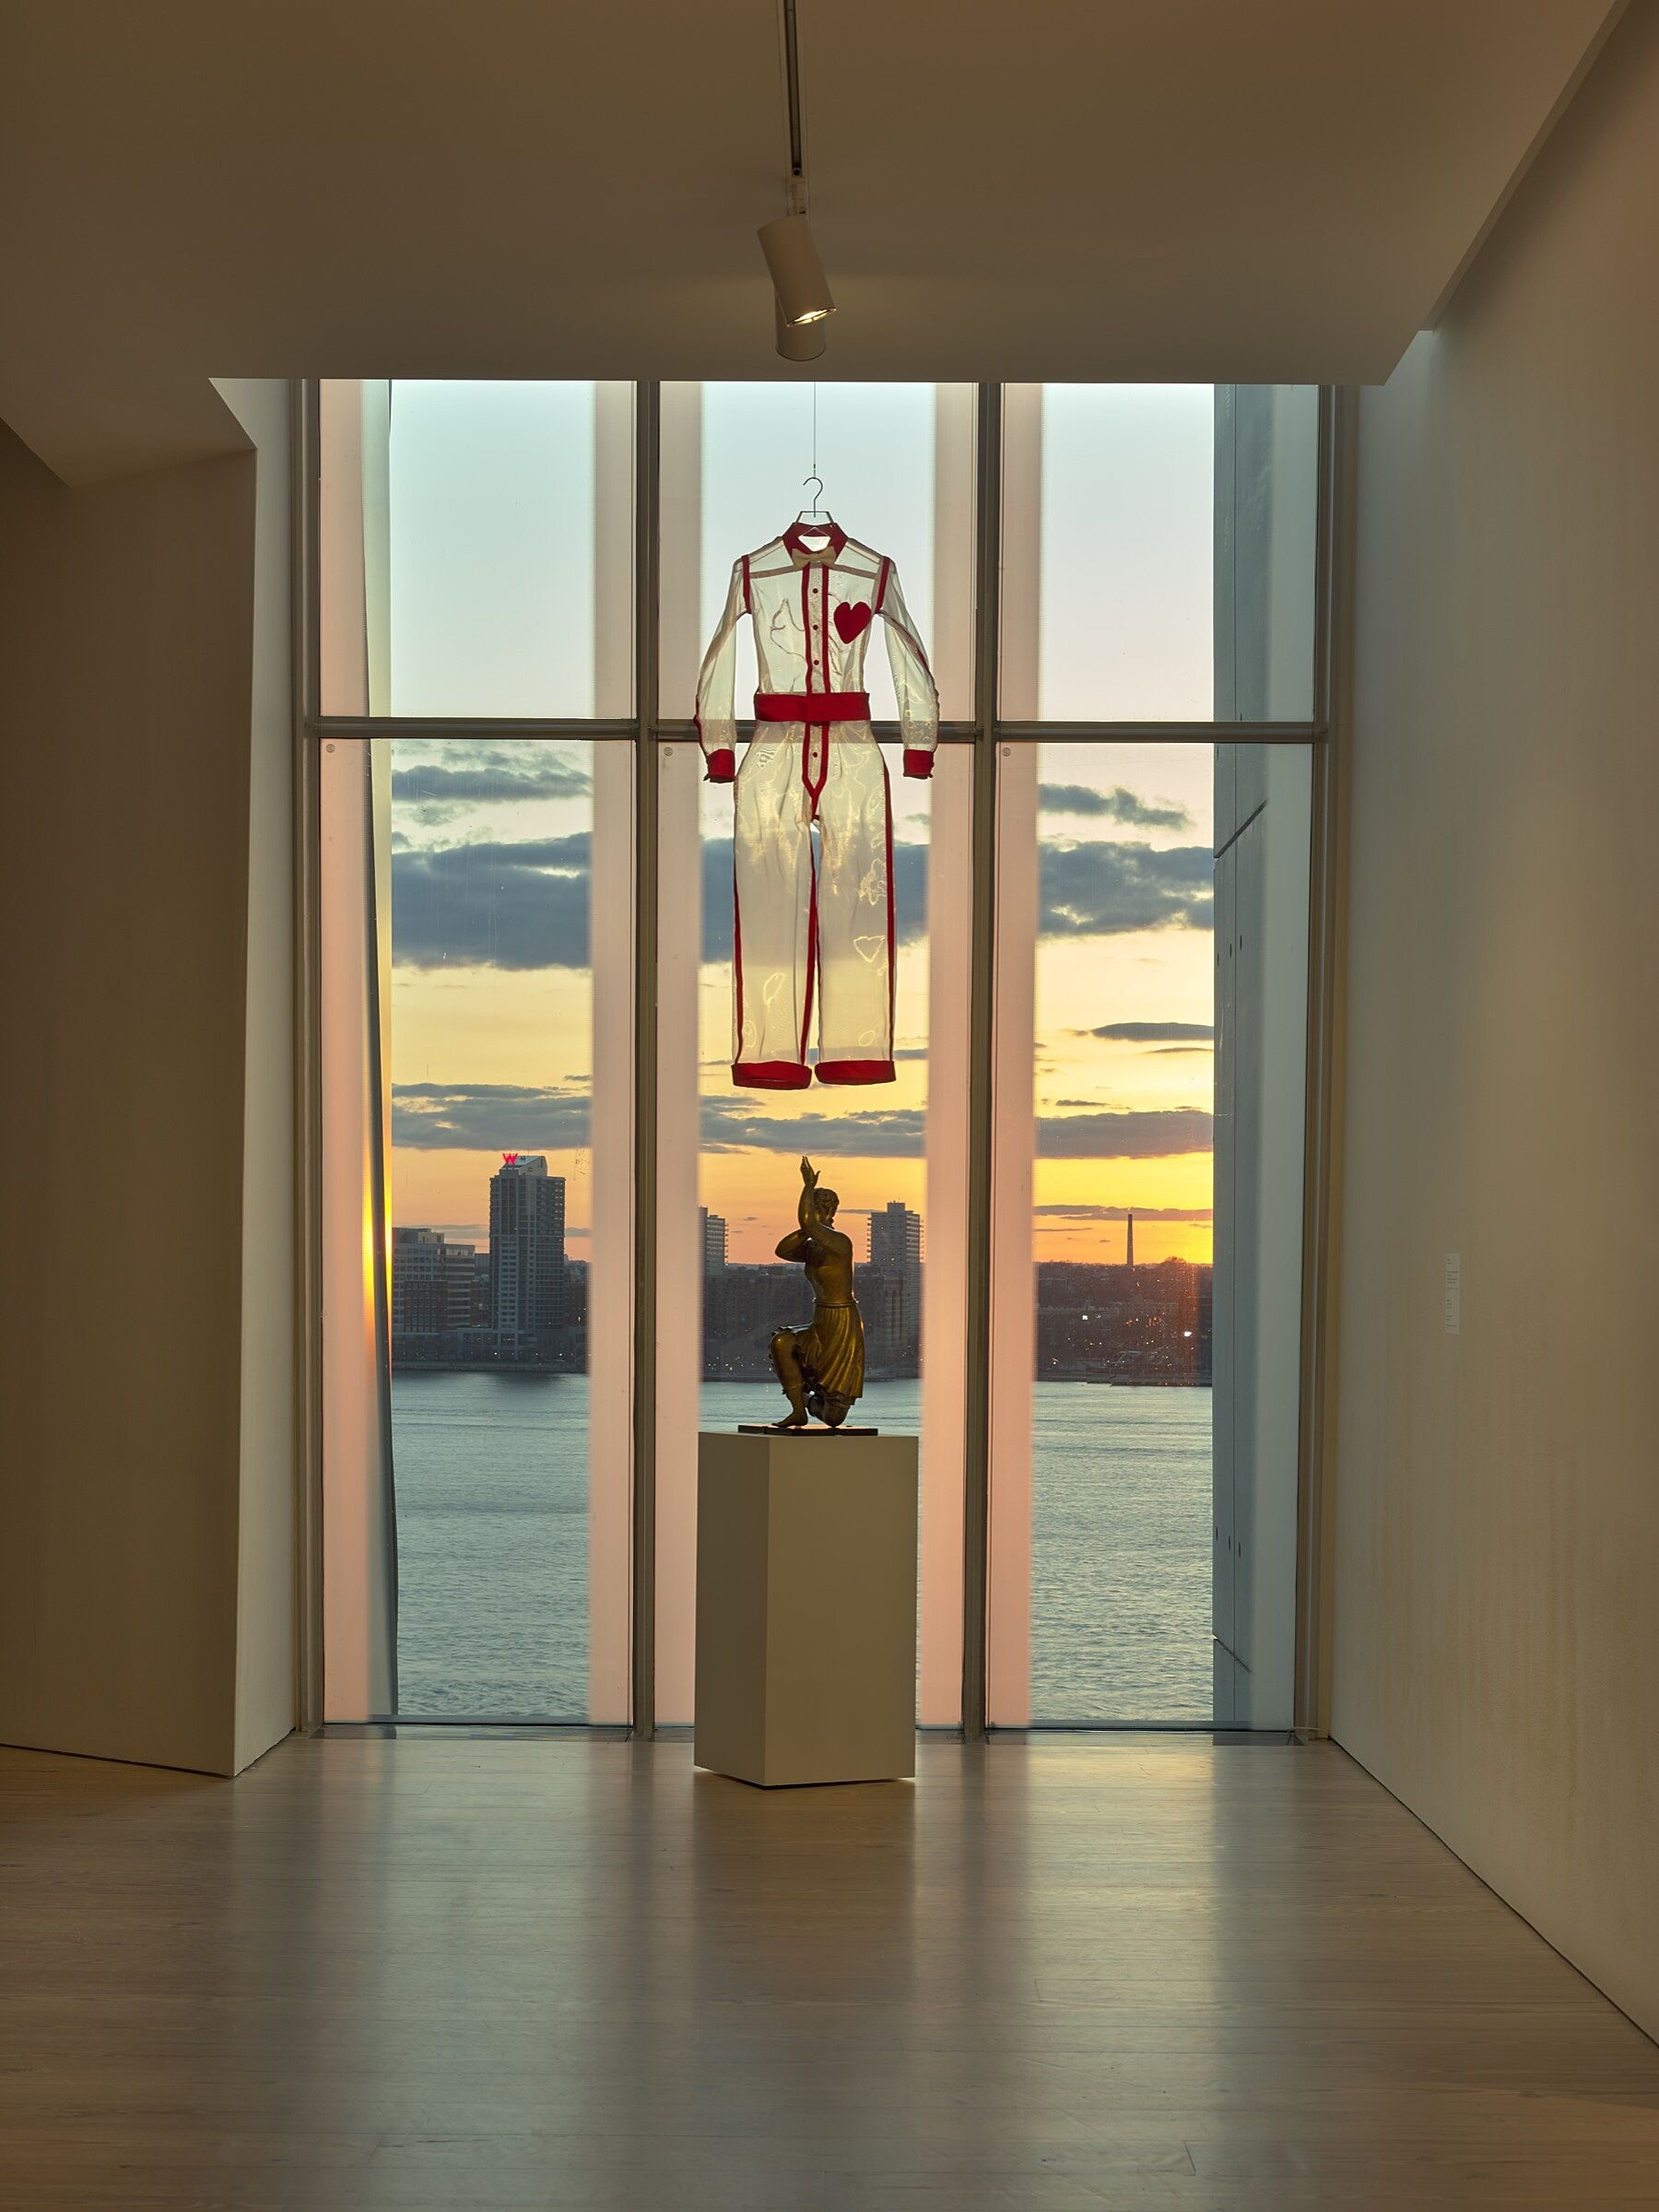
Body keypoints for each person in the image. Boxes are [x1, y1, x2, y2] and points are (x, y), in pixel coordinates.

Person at [770, 1157, 865, 1430]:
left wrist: (808, 1187)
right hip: (821, 1316)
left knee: (833, 1417)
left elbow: (811, 1225)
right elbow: (783, 1250)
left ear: (832, 1209)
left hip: (842, 1320)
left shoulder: (839, 1242)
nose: (819, 1209)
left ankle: (811, 1397)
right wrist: (806, 1225)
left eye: (823, 1204)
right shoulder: (813, 1245)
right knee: (782, 1343)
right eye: (816, 1205)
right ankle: (798, 1410)